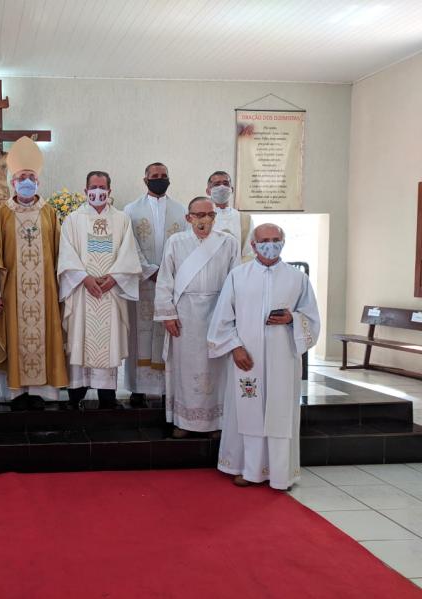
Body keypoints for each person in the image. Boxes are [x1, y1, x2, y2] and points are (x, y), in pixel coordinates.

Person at [208, 223, 320, 490]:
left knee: (280, 412)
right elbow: (222, 317)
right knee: (249, 410)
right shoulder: (238, 276)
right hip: (248, 358)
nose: (271, 245)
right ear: (253, 245)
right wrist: (234, 347)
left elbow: (312, 319)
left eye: (276, 239)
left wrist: (293, 318)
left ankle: (280, 474)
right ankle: (248, 469)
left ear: (283, 242)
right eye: (264, 240)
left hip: (283, 358)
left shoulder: (297, 278)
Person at [0, 136, 68, 410]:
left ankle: (41, 391)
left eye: (31, 177)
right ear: (13, 182)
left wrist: (61, 286)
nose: (26, 181)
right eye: (21, 177)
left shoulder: (49, 213)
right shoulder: (2, 213)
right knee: (16, 336)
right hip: (12, 289)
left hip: (45, 288)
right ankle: (17, 392)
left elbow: (60, 252)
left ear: (38, 182)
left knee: (45, 335)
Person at [155, 197, 239, 437]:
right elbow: (165, 279)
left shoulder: (228, 242)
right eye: (199, 215)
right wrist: (168, 314)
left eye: (210, 215)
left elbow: (236, 280)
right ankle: (184, 422)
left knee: (217, 367)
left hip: (218, 311)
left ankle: (216, 422)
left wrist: (232, 315)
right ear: (188, 217)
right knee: (185, 367)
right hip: (185, 314)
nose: (205, 220)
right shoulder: (176, 242)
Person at [58, 171, 141, 409]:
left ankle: (107, 397)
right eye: (93, 187)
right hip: (83, 291)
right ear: (85, 190)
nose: (97, 192)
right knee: (79, 339)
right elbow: (66, 254)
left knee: (108, 340)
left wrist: (114, 278)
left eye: (102, 187)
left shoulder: (122, 219)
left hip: (110, 292)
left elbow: (129, 254)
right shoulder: (73, 220)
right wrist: (84, 278)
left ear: (109, 191)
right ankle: (76, 395)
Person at [123, 162, 187, 407]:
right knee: (139, 335)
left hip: (170, 283)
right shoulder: (130, 210)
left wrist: (167, 273)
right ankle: (137, 389)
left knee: (164, 333)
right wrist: (149, 270)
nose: (160, 179)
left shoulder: (181, 210)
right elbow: (128, 244)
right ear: (145, 180)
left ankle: (163, 388)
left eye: (164, 175)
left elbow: (184, 245)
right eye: (155, 176)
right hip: (142, 283)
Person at [206, 170, 254, 261]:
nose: (222, 187)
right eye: (216, 184)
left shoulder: (244, 219)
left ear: (232, 189)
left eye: (225, 183)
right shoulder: (200, 217)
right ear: (208, 191)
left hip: (236, 267)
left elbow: (249, 252)